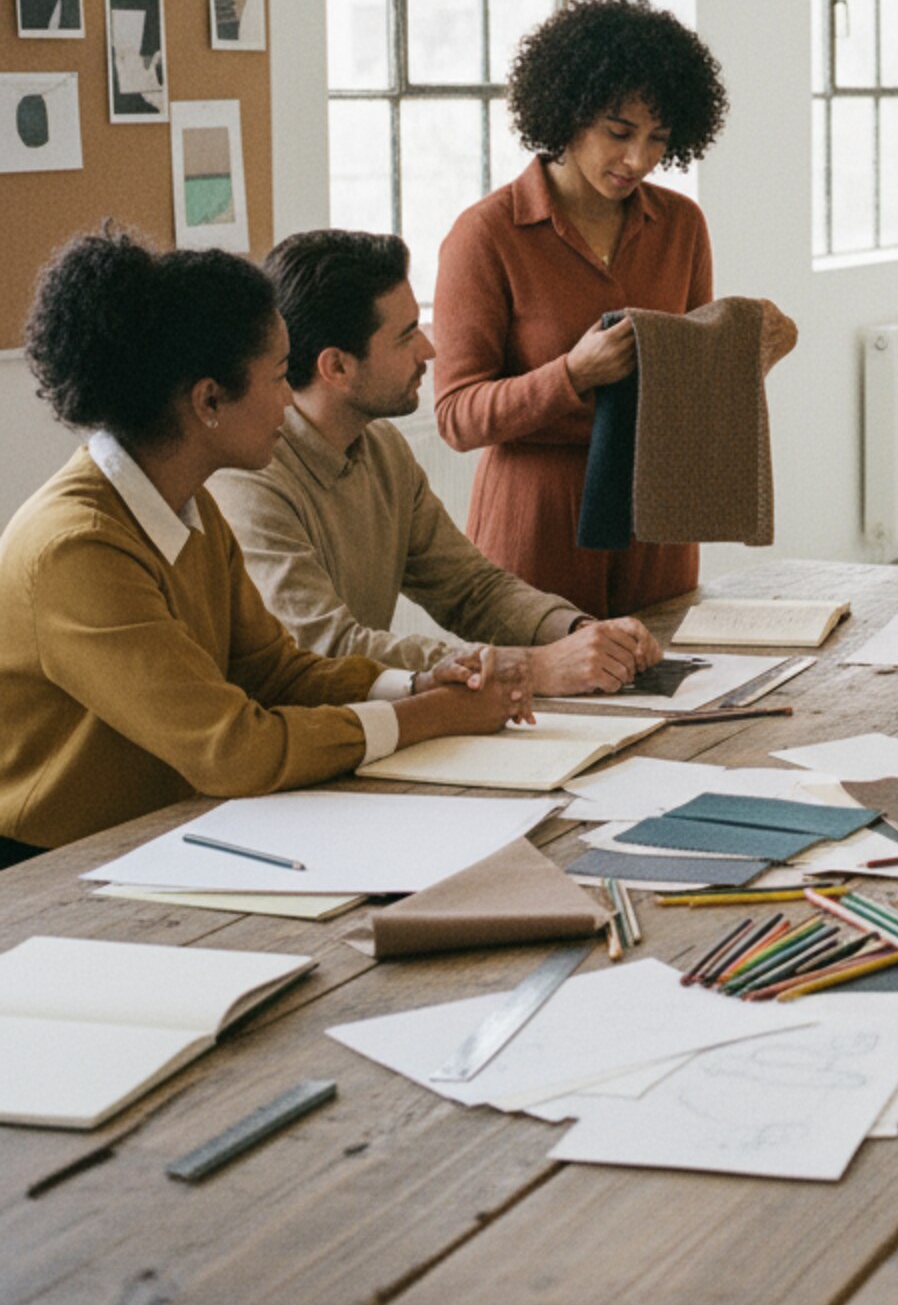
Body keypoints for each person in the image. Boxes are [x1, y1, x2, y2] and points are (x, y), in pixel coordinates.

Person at [0, 229, 523, 865]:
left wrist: (412, 684)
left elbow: (276, 672)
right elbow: (234, 749)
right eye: (278, 376)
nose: (289, 397)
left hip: (164, 834)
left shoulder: (187, 505)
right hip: (48, 870)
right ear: (209, 400)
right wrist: (431, 717)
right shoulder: (77, 549)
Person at [433, 0, 796, 618]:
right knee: (545, 707)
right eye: (619, 133)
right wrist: (571, 375)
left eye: (659, 139)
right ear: (567, 113)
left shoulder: (681, 224)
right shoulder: (487, 233)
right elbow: (457, 417)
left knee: (674, 692)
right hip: (538, 522)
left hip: (657, 520)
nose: (639, 160)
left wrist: (748, 348)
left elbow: (688, 383)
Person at [213, 230, 661, 694]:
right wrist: (530, 668)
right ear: (338, 368)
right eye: (407, 335)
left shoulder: (383, 448)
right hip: (294, 745)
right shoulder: (248, 481)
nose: (429, 351)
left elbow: (471, 589)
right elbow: (328, 647)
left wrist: (580, 633)